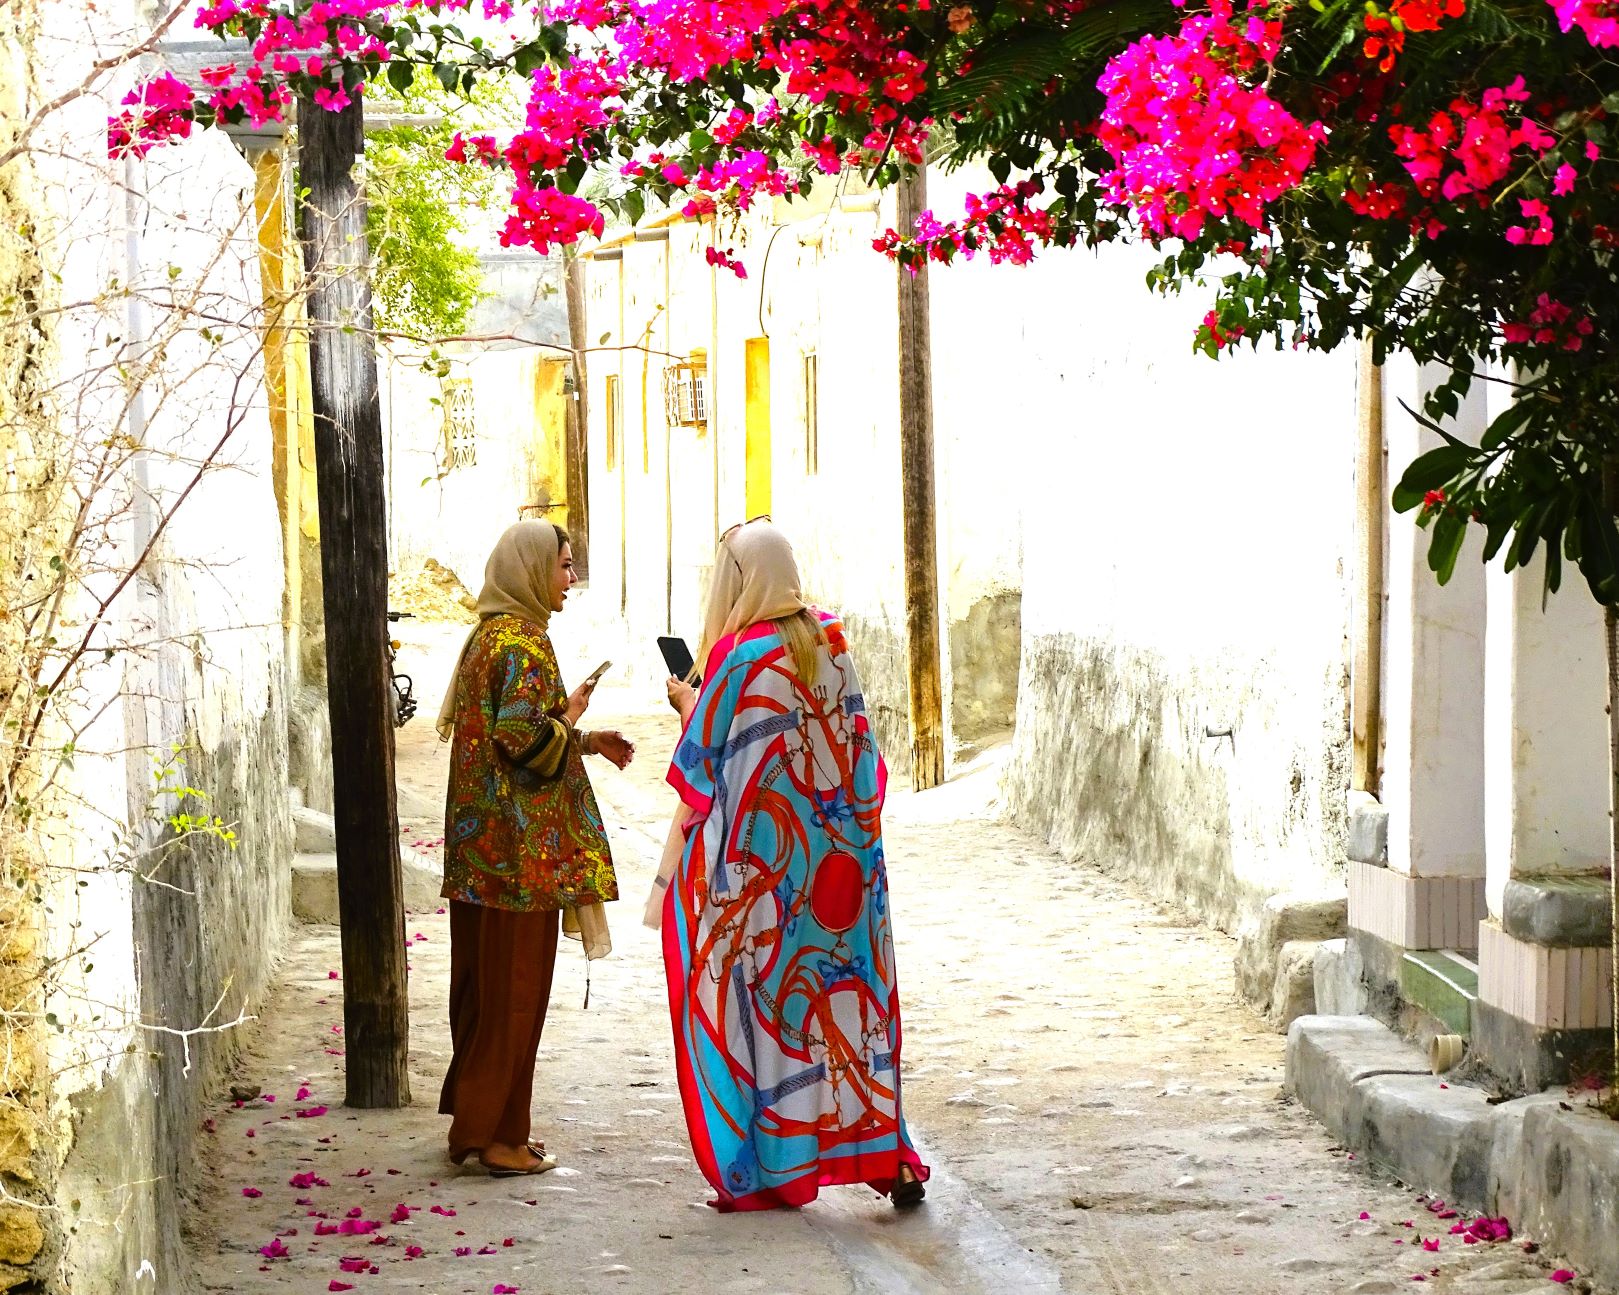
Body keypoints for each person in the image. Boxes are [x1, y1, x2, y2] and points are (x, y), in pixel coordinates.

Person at [654, 518, 929, 1212]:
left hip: (768, 875)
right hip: (843, 870)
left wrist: (688, 702)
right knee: (853, 1007)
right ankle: (884, 1153)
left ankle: (777, 1161)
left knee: (773, 1012)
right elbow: (861, 755)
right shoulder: (830, 638)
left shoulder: (737, 658)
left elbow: (705, 763)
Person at [434, 520, 633, 1176]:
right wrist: (570, 716)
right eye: (563, 566)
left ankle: (482, 1124)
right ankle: (498, 1137)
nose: (569, 580)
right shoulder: (522, 643)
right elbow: (524, 741)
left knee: (486, 994)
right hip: (518, 861)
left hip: (483, 856)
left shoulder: (488, 637)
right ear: (529, 569)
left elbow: (506, 741)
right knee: (515, 996)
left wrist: (584, 738)